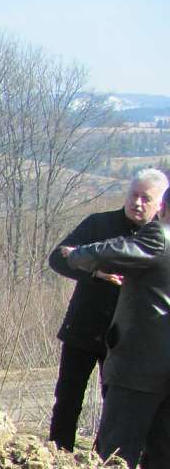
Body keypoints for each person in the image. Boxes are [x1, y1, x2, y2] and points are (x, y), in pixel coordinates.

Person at [46, 169, 169, 450]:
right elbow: (58, 258)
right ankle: (57, 454)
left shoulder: (157, 239)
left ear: (160, 204)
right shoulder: (99, 224)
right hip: (84, 327)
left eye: (145, 199)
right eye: (133, 195)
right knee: (67, 399)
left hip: (123, 340)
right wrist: (96, 272)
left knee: (114, 407)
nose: (137, 203)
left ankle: (101, 463)